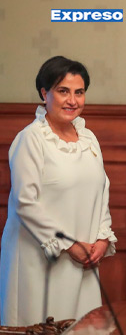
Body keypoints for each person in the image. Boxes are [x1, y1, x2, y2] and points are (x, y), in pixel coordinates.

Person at [0, 56, 117, 326]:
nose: (72, 101)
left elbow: (102, 190)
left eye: (79, 92)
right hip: (39, 259)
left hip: (85, 258)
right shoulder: (31, 139)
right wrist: (69, 245)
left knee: (81, 326)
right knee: (42, 325)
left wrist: (102, 238)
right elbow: (25, 202)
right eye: (63, 91)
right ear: (45, 93)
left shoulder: (88, 138)